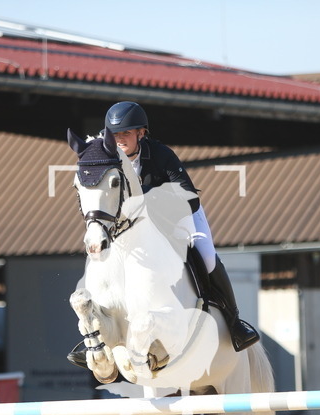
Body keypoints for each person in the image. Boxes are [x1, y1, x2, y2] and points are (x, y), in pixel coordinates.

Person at [68, 100, 260, 369]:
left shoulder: (160, 155)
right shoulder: (105, 155)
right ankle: (94, 336)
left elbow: (189, 198)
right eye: (115, 135)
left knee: (205, 255)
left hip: (176, 216)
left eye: (126, 134)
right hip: (128, 229)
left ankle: (233, 320)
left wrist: (145, 203)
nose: (119, 140)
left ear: (141, 133)